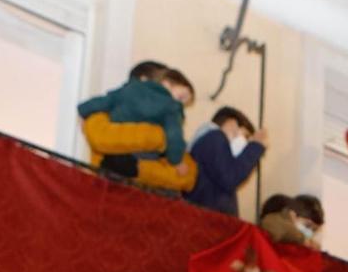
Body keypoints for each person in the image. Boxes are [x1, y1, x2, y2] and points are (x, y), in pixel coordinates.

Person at [78, 61, 197, 193]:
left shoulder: (122, 96)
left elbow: (188, 177)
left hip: (122, 187)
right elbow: (100, 139)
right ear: (143, 80)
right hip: (119, 189)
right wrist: (162, 142)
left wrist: (83, 112)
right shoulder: (171, 109)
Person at [184, 106, 266, 217]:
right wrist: (255, 146)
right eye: (245, 136)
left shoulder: (204, 141)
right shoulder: (215, 137)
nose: (245, 143)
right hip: (210, 222)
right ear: (231, 123)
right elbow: (230, 177)